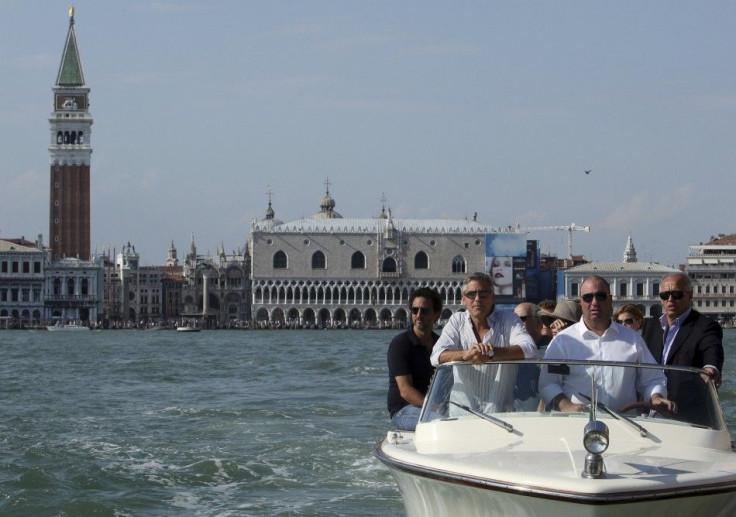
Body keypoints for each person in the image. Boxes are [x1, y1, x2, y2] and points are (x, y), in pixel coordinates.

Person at [540, 276, 675, 413]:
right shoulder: (562, 341)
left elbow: (652, 379)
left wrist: (656, 397)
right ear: (581, 302)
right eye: (588, 297)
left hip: (625, 426)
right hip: (576, 425)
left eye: (600, 296)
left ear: (610, 299)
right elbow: (548, 383)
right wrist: (566, 406)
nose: (595, 302)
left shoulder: (633, 339)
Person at [431, 272, 536, 412]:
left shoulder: (509, 320)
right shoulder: (457, 321)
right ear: (463, 299)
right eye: (471, 294)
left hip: (500, 414)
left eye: (484, 294)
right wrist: (467, 354)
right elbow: (436, 356)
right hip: (461, 413)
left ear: (493, 298)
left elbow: (530, 349)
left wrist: (490, 353)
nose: (477, 299)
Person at [642, 272, 724, 391]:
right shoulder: (651, 325)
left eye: (677, 294)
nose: (670, 299)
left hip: (687, 405)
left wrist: (711, 368)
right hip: (653, 402)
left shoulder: (706, 326)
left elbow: (712, 350)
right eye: (665, 295)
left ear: (689, 296)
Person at [387, 287, 443, 431]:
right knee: (441, 421)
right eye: (415, 310)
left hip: (432, 407)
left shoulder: (441, 344)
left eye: (424, 311)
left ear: (436, 314)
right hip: (403, 411)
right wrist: (434, 407)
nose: (418, 315)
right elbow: (405, 391)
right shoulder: (400, 344)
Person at [513, 303, 552, 410]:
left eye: (522, 319)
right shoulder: (509, 349)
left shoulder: (552, 348)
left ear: (539, 322)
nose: (516, 323)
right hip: (509, 418)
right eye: (514, 319)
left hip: (543, 420)